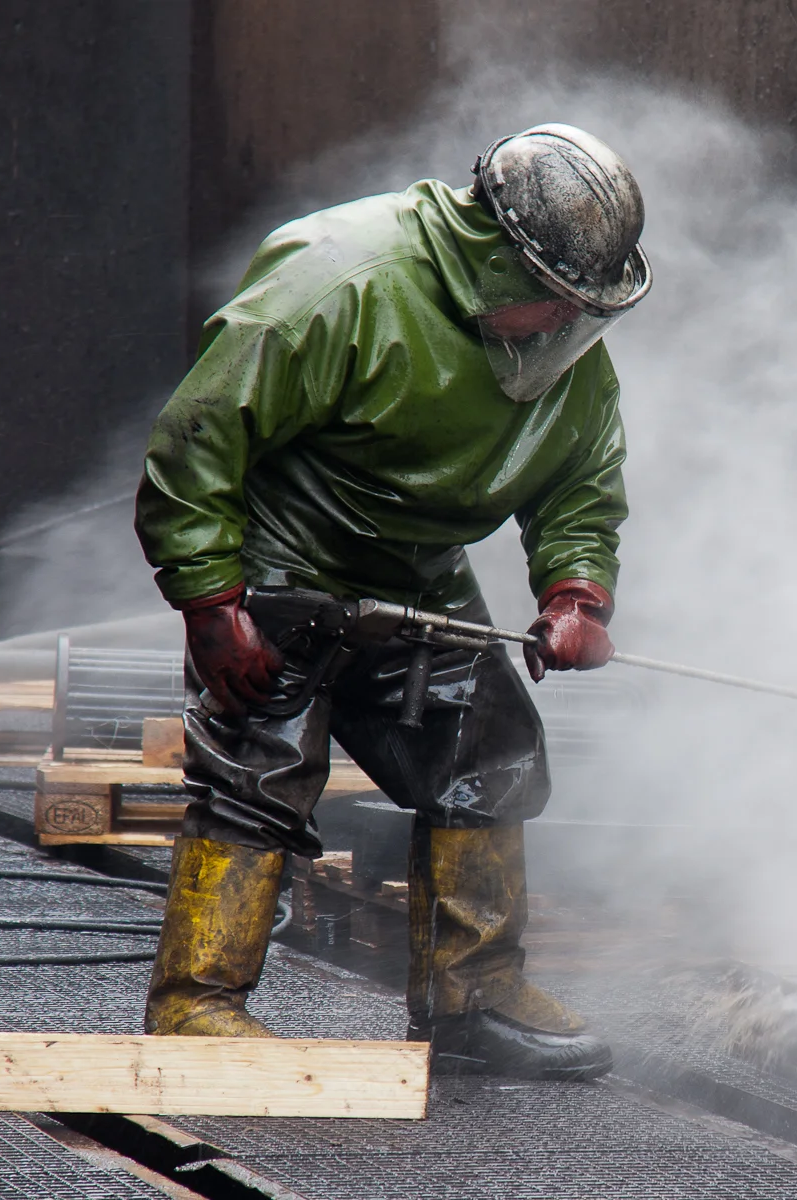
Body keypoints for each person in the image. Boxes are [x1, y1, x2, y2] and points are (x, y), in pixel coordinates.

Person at [132, 124, 649, 1081]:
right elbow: (196, 438)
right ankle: (197, 1007)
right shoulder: (341, 286)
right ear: (499, 259)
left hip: (414, 574)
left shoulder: (559, 345)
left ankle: (474, 999)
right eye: (559, 302)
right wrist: (212, 601)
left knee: (487, 745)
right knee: (262, 763)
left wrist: (577, 590)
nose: (570, 325)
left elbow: (582, 479)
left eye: (586, 308)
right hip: (284, 559)